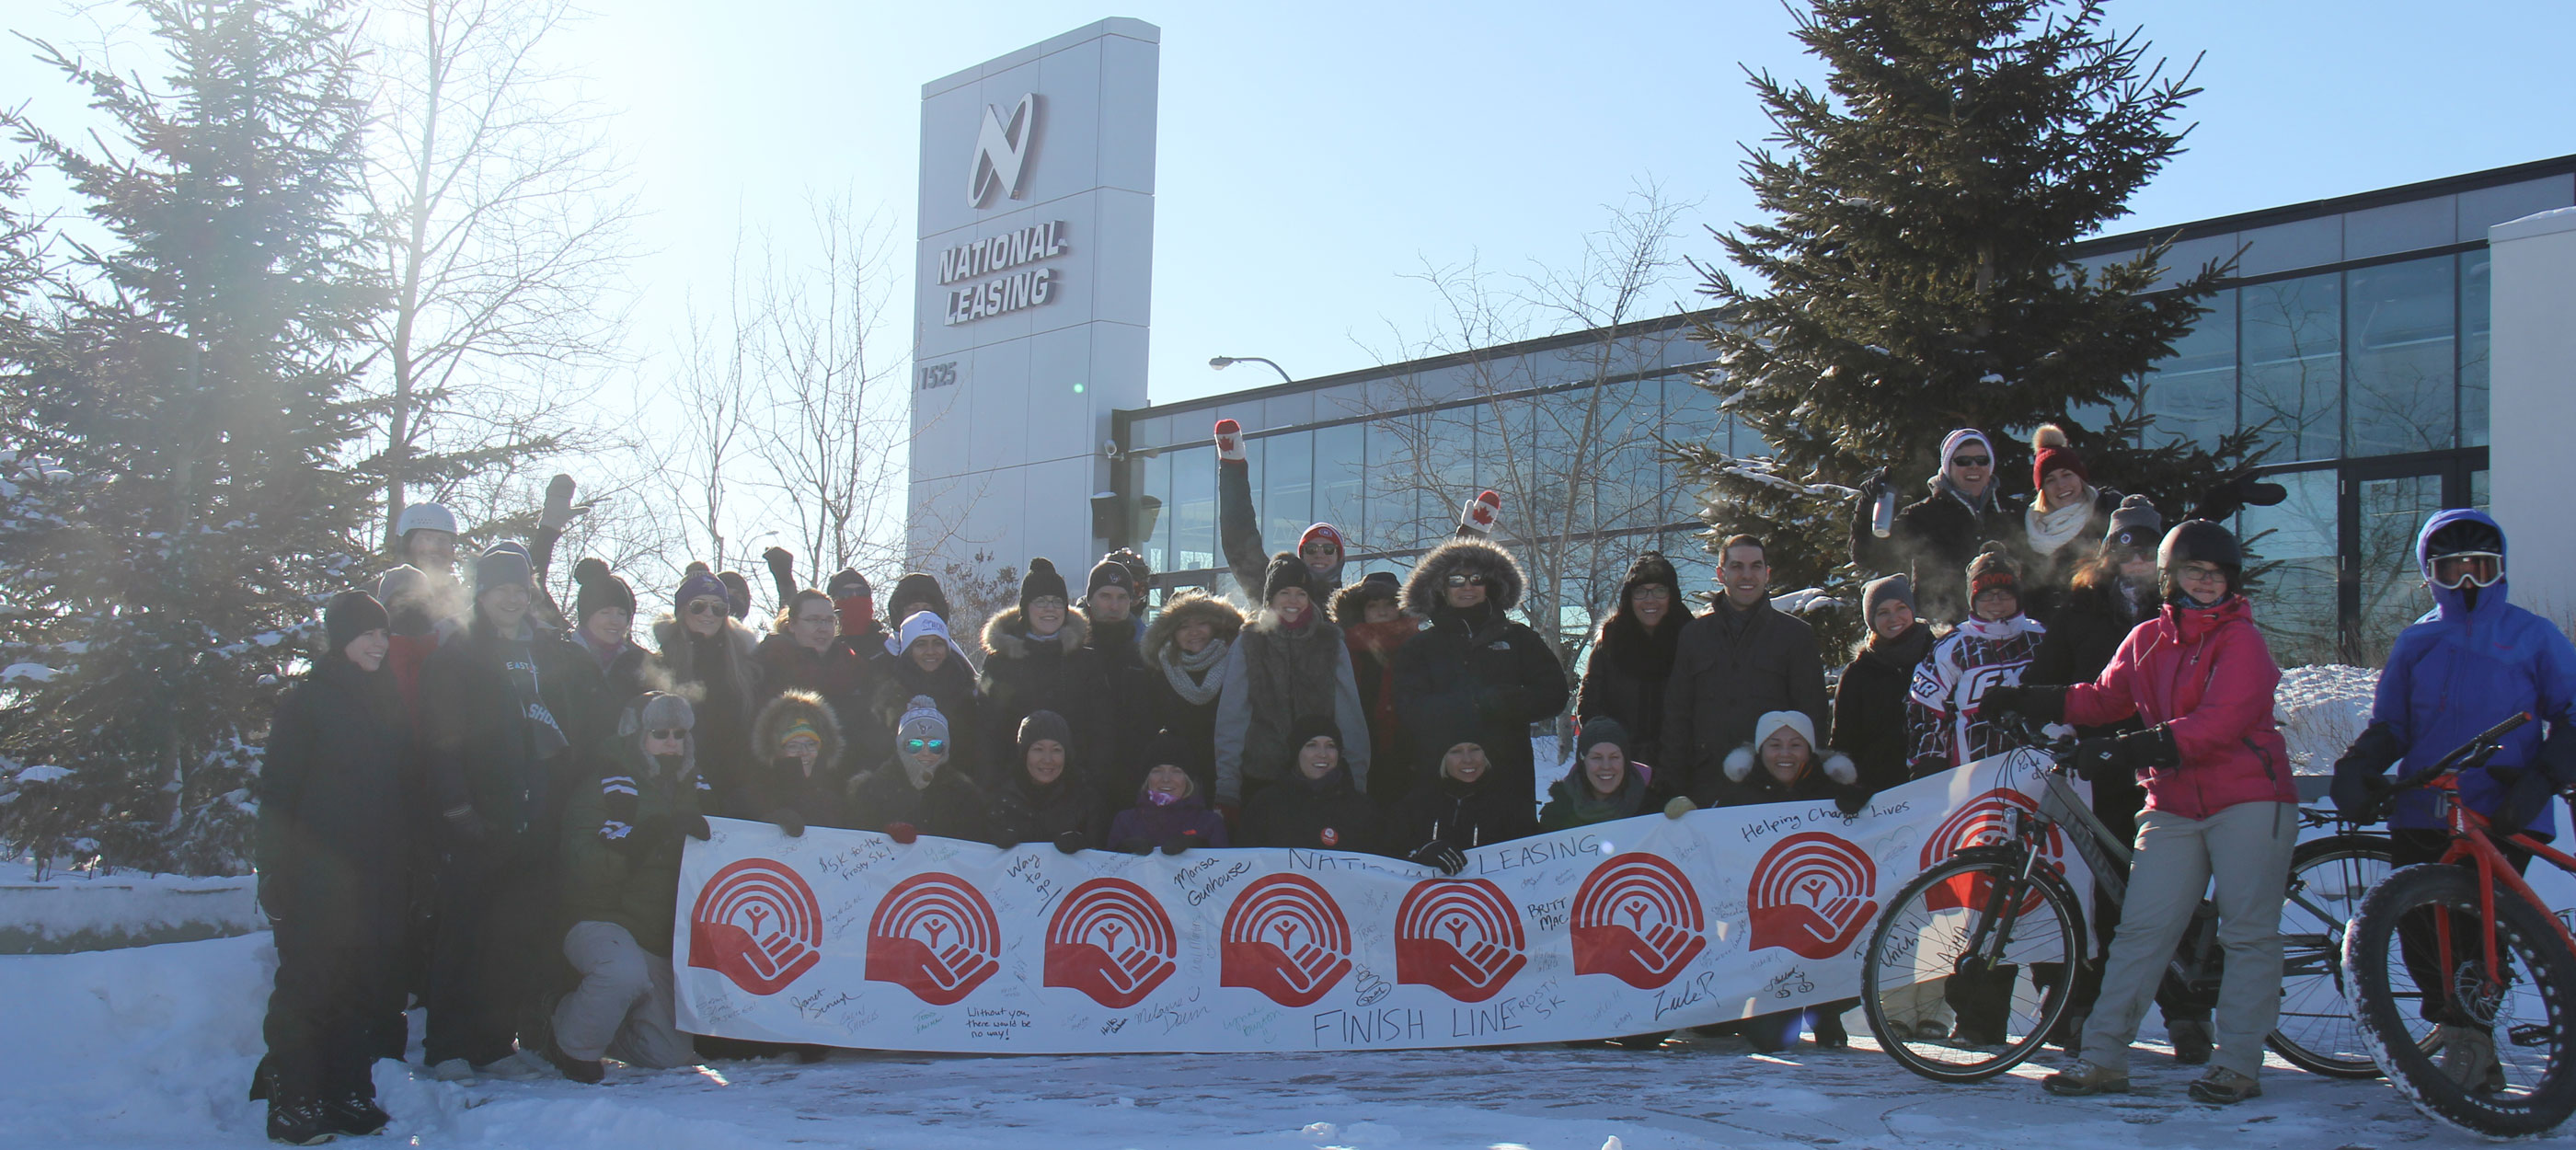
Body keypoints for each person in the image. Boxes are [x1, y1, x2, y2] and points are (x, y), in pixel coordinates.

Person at [1982, 521, 2298, 1105]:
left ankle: (2238, 1064)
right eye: (2194, 572)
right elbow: (2101, 697)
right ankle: (2103, 1059)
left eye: (2217, 574)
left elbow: (2219, 724)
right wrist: (2032, 697)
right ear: (2170, 578)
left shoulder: (2242, 643)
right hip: (2173, 804)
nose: (2207, 583)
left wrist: (2125, 748)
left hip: (2249, 799)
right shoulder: (2147, 638)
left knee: (2248, 934)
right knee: (2140, 932)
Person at [2330, 510, 2576, 1089]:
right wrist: (2360, 766)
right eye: (2453, 568)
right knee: (2418, 921)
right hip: (2426, 803)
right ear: (2430, 573)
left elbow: (2571, 714)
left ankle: (2474, 1040)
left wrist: (2542, 779)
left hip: (2505, 803)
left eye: (2481, 568)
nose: (2468, 581)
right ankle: (2458, 1033)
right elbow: (2391, 723)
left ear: (2500, 571)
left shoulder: (2533, 635)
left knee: (2477, 928)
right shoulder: (2418, 640)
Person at [2021, 496, 2200, 1059]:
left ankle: (2187, 1012)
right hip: (2102, 769)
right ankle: (2089, 1010)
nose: (2137, 560)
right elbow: (2049, 678)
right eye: (2126, 547)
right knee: (2106, 892)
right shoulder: (2081, 611)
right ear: (2107, 553)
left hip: (2172, 766)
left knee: (2174, 894)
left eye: (2148, 549)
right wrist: (2028, 710)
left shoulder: (2184, 609)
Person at [418, 545, 597, 1080]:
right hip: (480, 814)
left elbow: (574, 722)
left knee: (513, 935)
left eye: (522, 589)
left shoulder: (548, 652)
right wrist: (456, 807)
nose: (514, 599)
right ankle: (448, 1045)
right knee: (464, 934)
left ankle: (494, 1043)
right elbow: (439, 742)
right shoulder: (458, 655)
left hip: (538, 813)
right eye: (503, 589)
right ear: (482, 593)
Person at [256, 592, 409, 1143]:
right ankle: (292, 1101)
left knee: (355, 988)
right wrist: (272, 869)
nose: (378, 643)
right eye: (367, 633)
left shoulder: (386, 701)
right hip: (313, 874)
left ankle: (346, 1091)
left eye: (383, 634)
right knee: (308, 986)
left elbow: (399, 793)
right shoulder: (308, 701)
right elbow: (277, 791)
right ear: (341, 637)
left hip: (372, 876)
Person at [547, 692, 709, 1084]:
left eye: (680, 733)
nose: (672, 741)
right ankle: (565, 1038)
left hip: (658, 934)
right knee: (622, 974)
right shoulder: (603, 786)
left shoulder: (699, 790)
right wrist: (640, 844)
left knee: (669, 1056)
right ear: (637, 735)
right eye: (660, 732)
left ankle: (605, 1024)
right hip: (600, 920)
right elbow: (580, 865)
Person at [1698, 710, 1864, 1051]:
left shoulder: (1835, 794)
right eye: (1774, 745)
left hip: (1824, 924)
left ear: (1810, 751)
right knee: (1770, 1040)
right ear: (1760, 751)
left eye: (1795, 745)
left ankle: (1825, 1010)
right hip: (1765, 940)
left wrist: (1865, 803)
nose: (1784, 754)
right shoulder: (1737, 797)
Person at [1392, 538, 1568, 811]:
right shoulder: (1419, 647)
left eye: (1476, 578)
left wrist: (1508, 702)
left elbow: (1554, 693)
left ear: (1491, 585)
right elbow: (1408, 707)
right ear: (1440, 587)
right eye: (1456, 580)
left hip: (1508, 776)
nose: (1467, 587)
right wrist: (1468, 705)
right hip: (1441, 781)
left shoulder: (1518, 638)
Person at [1665, 535, 1830, 807]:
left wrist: (1806, 784)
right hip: (1707, 787)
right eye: (1737, 566)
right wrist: (1673, 786)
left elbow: (1813, 717)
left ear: (1767, 574)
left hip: (1775, 791)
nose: (1747, 575)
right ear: (1721, 574)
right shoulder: (1694, 636)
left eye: (1755, 566)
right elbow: (1677, 715)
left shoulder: (1795, 636)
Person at [1214, 552, 1374, 812]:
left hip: (1321, 777)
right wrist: (1227, 788)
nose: (1293, 601)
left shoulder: (1330, 642)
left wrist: (1356, 783)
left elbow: (1350, 717)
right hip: (1261, 776)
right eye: (1284, 593)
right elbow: (1232, 717)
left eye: (1300, 593)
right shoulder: (1250, 642)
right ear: (1270, 599)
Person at [1851, 428, 2026, 625]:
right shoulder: (1923, 515)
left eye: (1982, 460)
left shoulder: (2013, 512)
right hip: (1945, 632)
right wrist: (1868, 506)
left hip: (2013, 631)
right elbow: (1870, 556)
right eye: (1963, 461)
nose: (1974, 467)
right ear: (1947, 466)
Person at [1906, 545, 2046, 776]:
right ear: (1972, 599)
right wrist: (1928, 761)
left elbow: (2069, 693)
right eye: (1986, 595)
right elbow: (1924, 709)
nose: (1996, 602)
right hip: (1975, 776)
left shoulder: (2041, 637)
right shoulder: (1952, 647)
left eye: (2004, 594)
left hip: (2041, 767)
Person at [980, 558, 1110, 788]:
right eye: (1041, 601)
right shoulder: (1000, 663)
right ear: (1025, 608)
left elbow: (1101, 729)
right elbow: (988, 729)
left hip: (1076, 784)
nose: (1050, 608)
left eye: (1057, 602)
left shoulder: (1086, 661)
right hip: (1013, 787)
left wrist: (1090, 779)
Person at [1574, 551, 1697, 776]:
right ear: (1629, 598)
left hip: (1685, 769)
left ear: (1673, 595)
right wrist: (1614, 754)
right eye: (1640, 591)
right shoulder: (1609, 644)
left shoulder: (1693, 643)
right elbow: (1590, 707)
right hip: (1621, 771)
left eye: (1660, 590)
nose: (1650, 600)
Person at [653, 567, 764, 816]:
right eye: (698, 606)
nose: (708, 614)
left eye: (718, 608)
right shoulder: (660, 664)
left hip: (733, 790)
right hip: (675, 789)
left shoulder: (746, 669)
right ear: (682, 610)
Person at [1216, 416, 1351, 602]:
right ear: (1301, 555)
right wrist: (1232, 467)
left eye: (1328, 549)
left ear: (1340, 557)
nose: (1319, 554)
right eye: (1311, 549)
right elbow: (1239, 543)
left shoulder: (1352, 608)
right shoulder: (1272, 589)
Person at [1135, 589, 1245, 802]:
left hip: (1229, 771)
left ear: (1215, 626)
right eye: (1184, 626)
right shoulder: (1158, 670)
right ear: (1172, 633)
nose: (1194, 632)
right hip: (1178, 781)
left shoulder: (1237, 661)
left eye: (1201, 623)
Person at [1831, 575, 1933, 801]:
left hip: (1941, 784)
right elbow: (1844, 743)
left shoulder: (1941, 656)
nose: (1893, 618)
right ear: (1871, 620)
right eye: (1882, 612)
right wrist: (1848, 786)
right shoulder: (1858, 673)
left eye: (1901, 608)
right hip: (1882, 796)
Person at [848, 696, 991, 843]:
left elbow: (973, 847)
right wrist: (885, 837)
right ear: (901, 746)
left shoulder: (964, 795)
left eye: (935, 745)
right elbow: (857, 846)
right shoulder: (872, 790)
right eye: (915, 745)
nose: (925, 752)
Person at [2020, 426, 2126, 623]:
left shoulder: (2108, 512)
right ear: (2042, 490)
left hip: (2104, 627)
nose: (2061, 485)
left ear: (2080, 476)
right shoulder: (2029, 528)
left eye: (2067, 474)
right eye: (2050, 480)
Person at [1386, 740, 1538, 875]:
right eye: (1456, 751)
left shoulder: (1509, 803)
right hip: (1426, 901)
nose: (1468, 759)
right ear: (1443, 757)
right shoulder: (1416, 803)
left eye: (1475, 749)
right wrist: (1420, 852)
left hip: (1492, 901)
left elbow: (1534, 857)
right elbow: (1387, 854)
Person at [863, 610, 982, 783]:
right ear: (908, 650)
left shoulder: (967, 692)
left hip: (956, 792)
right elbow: (876, 751)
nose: (930, 651)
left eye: (938, 644)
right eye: (921, 644)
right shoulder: (888, 698)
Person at [1240, 719, 1380, 853]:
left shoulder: (1362, 809)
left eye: (1330, 746)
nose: (1323, 754)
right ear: (1296, 752)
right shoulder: (1265, 805)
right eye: (1312, 745)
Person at [1333, 571, 1417, 798]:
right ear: (1362, 611)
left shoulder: (1418, 647)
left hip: (1408, 761)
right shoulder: (1343, 650)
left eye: (1390, 604)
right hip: (1353, 757)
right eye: (1373, 605)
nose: (1382, 611)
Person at [740, 687, 862, 834]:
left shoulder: (837, 804)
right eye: (793, 746)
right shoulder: (749, 800)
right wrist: (768, 827)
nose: (804, 752)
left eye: (811, 744)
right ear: (775, 751)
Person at [1080, 548, 1157, 776]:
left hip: (1132, 781)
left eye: (1122, 597)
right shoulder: (1070, 653)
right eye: (1105, 596)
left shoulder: (1145, 659)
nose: (1114, 606)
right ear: (1090, 600)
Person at [756, 588, 875, 736]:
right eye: (813, 620)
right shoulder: (769, 666)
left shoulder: (854, 667)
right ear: (792, 624)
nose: (823, 628)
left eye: (829, 620)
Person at [990, 710, 1107, 852]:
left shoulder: (1086, 800)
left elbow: (1104, 858)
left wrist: (1085, 847)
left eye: (1056, 750)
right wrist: (991, 842)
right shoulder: (1000, 799)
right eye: (1038, 749)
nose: (1047, 759)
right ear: (1024, 753)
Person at [1108, 730, 1231, 854]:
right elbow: (1105, 868)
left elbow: (1224, 868)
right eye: (1157, 771)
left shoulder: (1209, 823)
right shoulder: (1125, 821)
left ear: (1188, 780)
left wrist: (1201, 849)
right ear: (1147, 778)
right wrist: (1122, 851)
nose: (1166, 779)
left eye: (1176, 771)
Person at [1537, 719, 1663, 831]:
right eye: (1596, 757)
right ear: (1582, 760)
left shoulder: (1655, 813)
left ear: (1625, 760)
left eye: (1614, 757)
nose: (1606, 766)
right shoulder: (1556, 817)